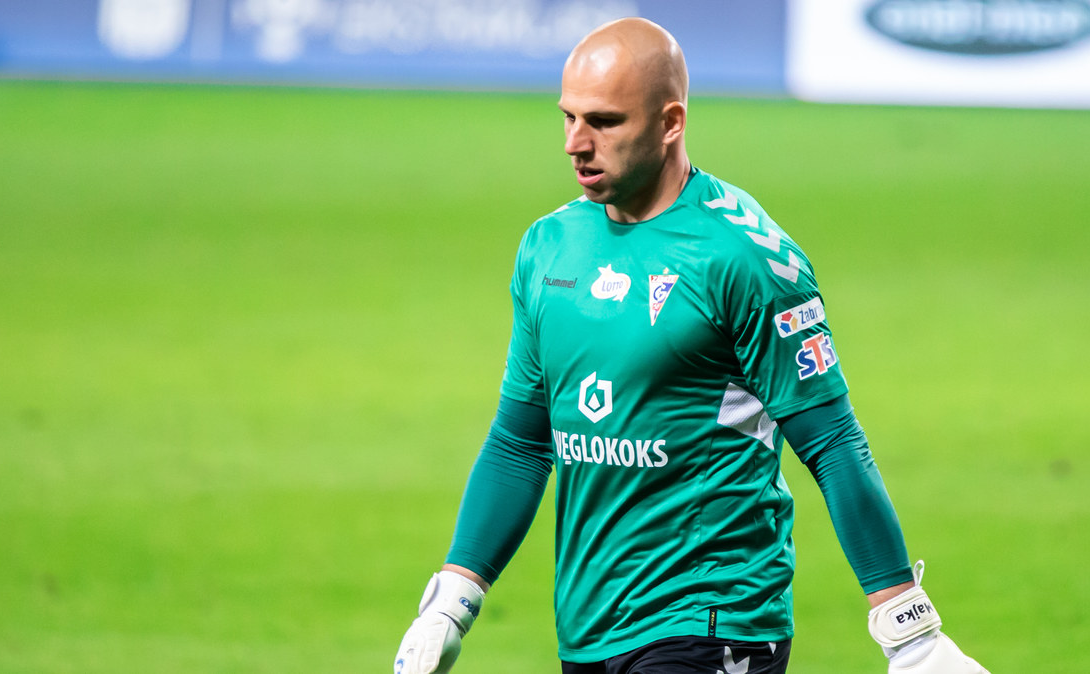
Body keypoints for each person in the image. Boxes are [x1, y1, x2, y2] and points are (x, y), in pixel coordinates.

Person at [394, 17, 988, 674]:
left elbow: (833, 443)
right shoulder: (548, 250)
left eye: (604, 122)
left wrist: (909, 629)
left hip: (713, 617)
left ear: (670, 122)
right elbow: (522, 442)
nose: (575, 144)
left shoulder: (745, 258)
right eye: (567, 118)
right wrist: (454, 596)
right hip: (591, 626)